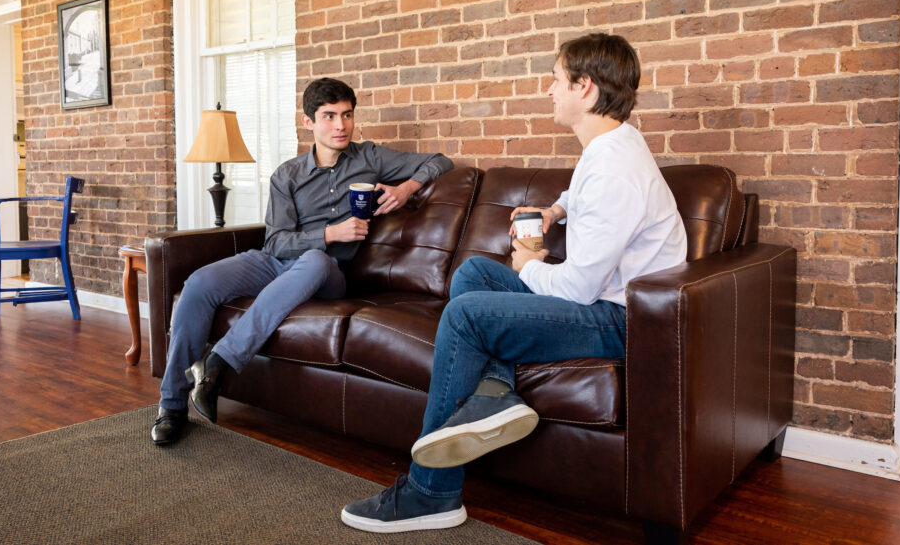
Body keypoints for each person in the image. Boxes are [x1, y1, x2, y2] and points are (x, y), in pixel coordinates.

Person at [340, 33, 688, 532]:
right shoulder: (613, 144)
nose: (549, 89)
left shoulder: (616, 170)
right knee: (475, 271)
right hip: (606, 301)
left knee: (465, 315)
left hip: (621, 319)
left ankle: (430, 493)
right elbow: (581, 188)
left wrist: (528, 265)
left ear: (584, 88)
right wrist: (554, 210)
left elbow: (577, 289)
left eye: (555, 78)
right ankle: (496, 388)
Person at [151, 78, 454, 445]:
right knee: (198, 284)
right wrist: (331, 233)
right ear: (308, 122)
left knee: (313, 258)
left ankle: (218, 364)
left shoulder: (371, 158)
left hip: (326, 272)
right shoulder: (287, 175)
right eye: (329, 117)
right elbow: (276, 241)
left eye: (347, 115)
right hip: (275, 262)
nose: (340, 126)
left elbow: (440, 161)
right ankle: (171, 407)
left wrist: (406, 188)